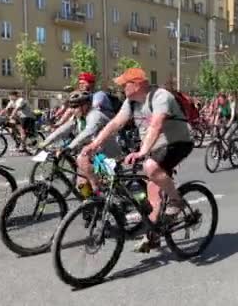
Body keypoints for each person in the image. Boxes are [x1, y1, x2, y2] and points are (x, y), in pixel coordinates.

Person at [81, 68, 193, 253]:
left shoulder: (160, 96)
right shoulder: (131, 102)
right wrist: (95, 144)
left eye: (125, 84)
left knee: (150, 167)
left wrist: (142, 152)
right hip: (155, 147)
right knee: (151, 189)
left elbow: (156, 125)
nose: (122, 88)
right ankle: (155, 233)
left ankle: (176, 201)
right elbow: (115, 123)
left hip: (177, 142)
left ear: (138, 84)